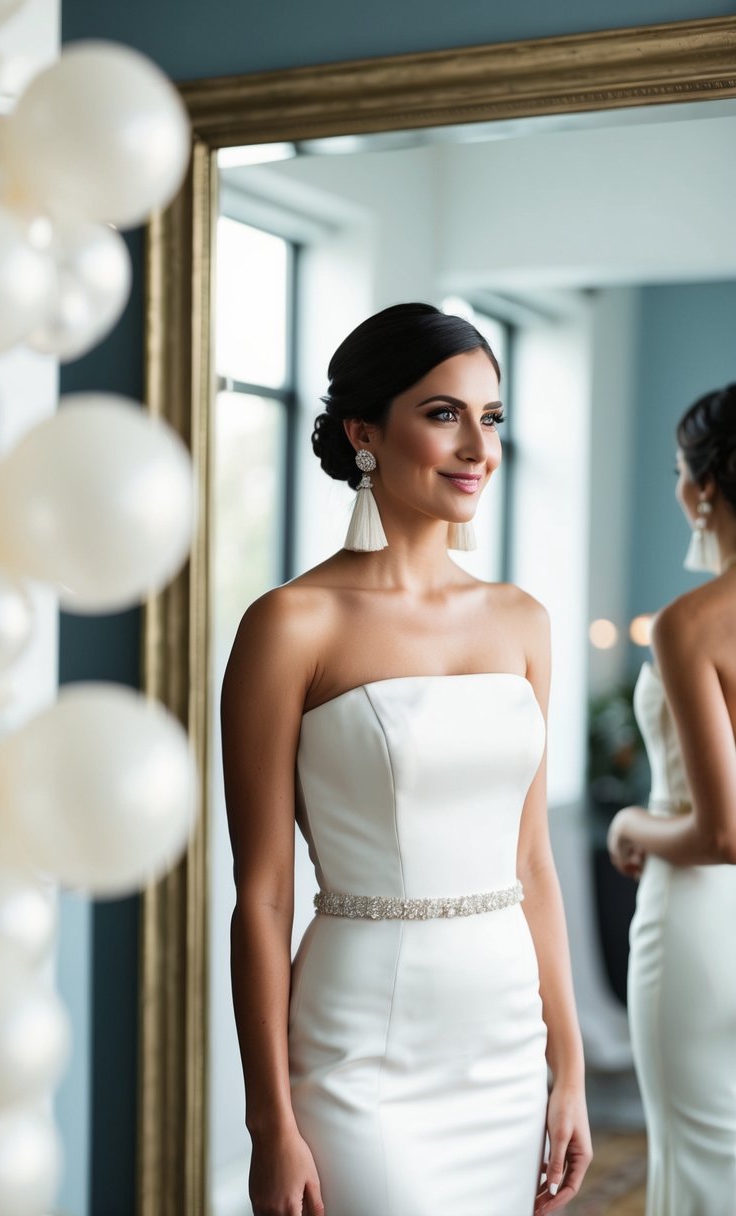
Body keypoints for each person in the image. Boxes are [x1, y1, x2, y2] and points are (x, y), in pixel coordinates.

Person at [222, 302, 591, 1216]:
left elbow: (533, 865)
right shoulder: (290, 625)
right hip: (364, 1043)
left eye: (491, 417)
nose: (477, 446)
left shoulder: (522, 620)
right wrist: (270, 1125)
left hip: (504, 1039)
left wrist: (569, 1069)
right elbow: (263, 895)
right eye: (442, 414)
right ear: (363, 433)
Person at [608, 383, 736, 1216]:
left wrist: (629, 823)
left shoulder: (691, 623)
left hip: (701, 922)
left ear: (701, 490)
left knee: (701, 1159)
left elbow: (722, 833)